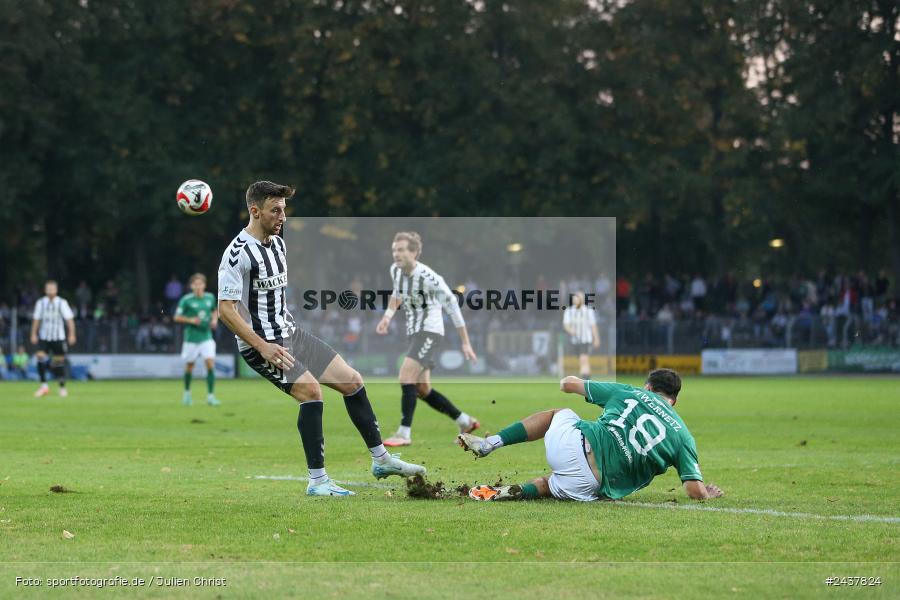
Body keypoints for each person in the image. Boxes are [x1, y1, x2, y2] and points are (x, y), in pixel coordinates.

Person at [217, 180, 424, 497]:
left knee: (353, 381)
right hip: (263, 347)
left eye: (284, 210)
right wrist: (262, 346)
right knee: (312, 392)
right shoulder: (237, 254)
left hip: (291, 333)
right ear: (255, 211)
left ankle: (381, 460)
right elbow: (226, 311)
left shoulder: (279, 244)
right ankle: (317, 481)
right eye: (275, 210)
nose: (282, 217)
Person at [458, 369, 722, 502]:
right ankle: (517, 491)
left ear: (649, 387)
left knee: (558, 413)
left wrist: (573, 378)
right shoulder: (683, 435)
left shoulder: (631, 392)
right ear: (674, 401)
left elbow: (567, 385)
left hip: (574, 445)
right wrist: (707, 494)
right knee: (550, 483)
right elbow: (693, 489)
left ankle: (489, 443)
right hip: (593, 484)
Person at [375, 231, 480, 447]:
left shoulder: (429, 278)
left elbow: (452, 308)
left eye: (402, 250)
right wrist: (387, 317)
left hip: (429, 332)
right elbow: (397, 293)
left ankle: (404, 434)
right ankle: (465, 421)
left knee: (406, 377)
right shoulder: (395, 270)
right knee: (422, 389)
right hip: (414, 332)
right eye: (394, 250)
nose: (396, 254)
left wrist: (465, 342)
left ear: (414, 252)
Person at [173, 273, 219, 406]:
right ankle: (187, 394)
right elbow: (177, 317)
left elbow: (214, 311)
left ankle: (210, 396)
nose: (198, 286)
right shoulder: (186, 300)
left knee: (210, 364)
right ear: (191, 286)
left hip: (206, 337)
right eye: (196, 284)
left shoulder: (210, 297)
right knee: (189, 366)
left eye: (201, 284)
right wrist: (191, 320)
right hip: (191, 338)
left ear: (204, 285)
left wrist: (214, 320)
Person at [30, 280, 77, 397]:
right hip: (44, 336)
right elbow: (36, 319)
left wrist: (72, 334)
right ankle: (44, 386)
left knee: (59, 361)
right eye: (48, 289)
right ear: (45, 290)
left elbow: (69, 319)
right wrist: (33, 334)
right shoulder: (41, 303)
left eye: (52, 289)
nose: (50, 291)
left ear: (56, 290)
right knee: (40, 357)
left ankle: (62, 387)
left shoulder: (62, 302)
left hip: (58, 337)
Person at [563, 291, 600, 379]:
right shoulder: (569, 311)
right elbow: (566, 324)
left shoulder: (588, 311)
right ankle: (587, 379)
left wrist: (596, 338)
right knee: (582, 360)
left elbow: (593, 325)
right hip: (575, 340)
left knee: (584, 358)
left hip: (586, 339)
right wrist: (570, 330)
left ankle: (585, 380)